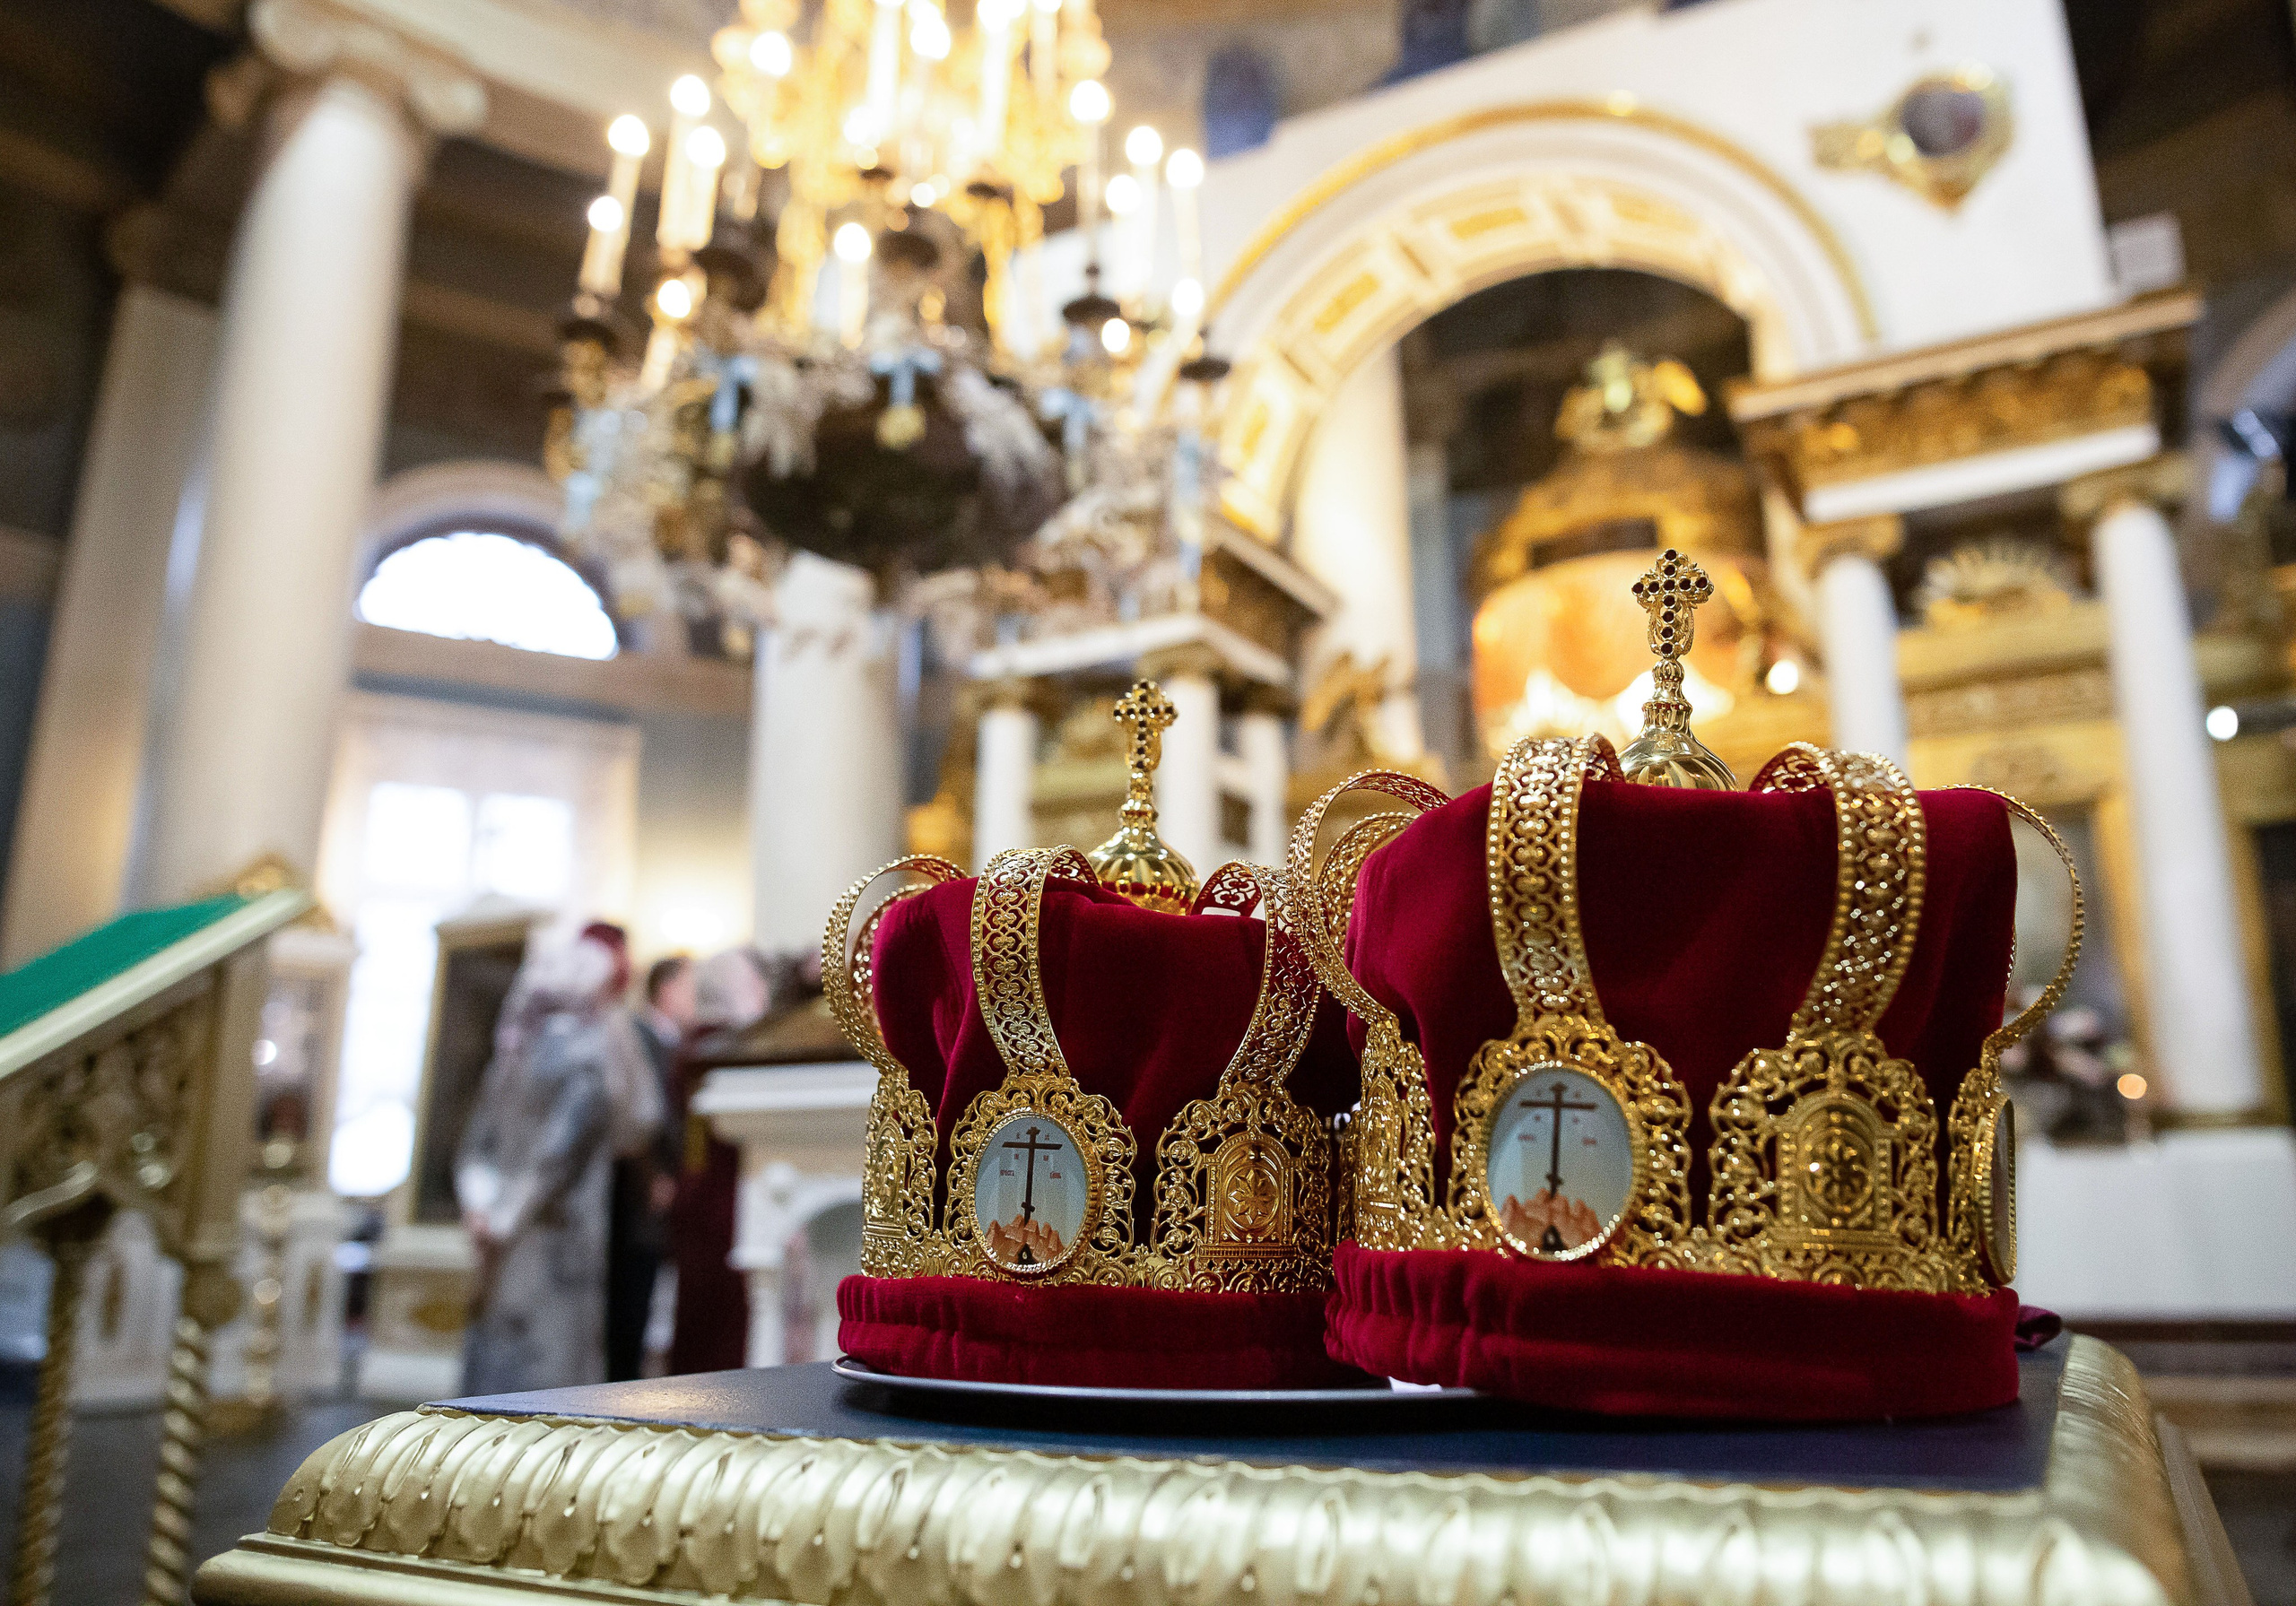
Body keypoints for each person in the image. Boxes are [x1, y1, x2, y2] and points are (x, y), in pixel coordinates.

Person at [455, 931, 620, 1395]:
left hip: (520, 1234)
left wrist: (484, 1211)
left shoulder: (516, 1050)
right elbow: (552, 1154)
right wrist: (500, 1219)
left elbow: (481, 1150)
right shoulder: (583, 1054)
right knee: (543, 1377)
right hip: (548, 1234)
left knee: (507, 1364)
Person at [604, 953, 695, 1381]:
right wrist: (656, 1175)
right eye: (688, 987)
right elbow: (638, 1116)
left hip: (665, 1186)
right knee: (628, 1291)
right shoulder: (637, 1034)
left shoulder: (679, 1042)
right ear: (665, 987)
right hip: (638, 1189)